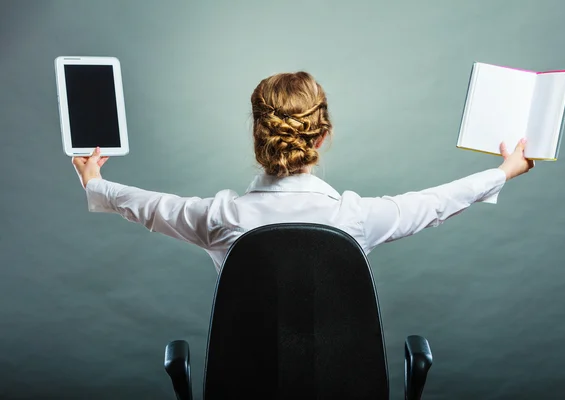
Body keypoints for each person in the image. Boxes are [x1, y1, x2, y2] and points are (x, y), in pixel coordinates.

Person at [72, 71, 534, 272]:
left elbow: (148, 206)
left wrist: (95, 181)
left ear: (258, 134)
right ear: (322, 134)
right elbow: (435, 204)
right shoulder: (353, 219)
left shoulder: (220, 218)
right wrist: (504, 171)